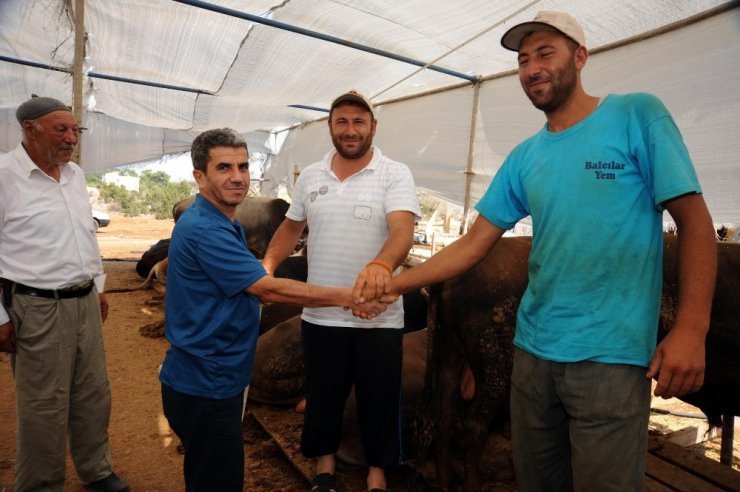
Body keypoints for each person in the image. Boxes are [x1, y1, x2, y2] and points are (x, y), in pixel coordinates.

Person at [358, 11, 717, 492]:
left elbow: (694, 221)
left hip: (609, 356)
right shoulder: (526, 156)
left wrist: (692, 329)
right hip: (532, 355)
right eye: (523, 61)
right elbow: (472, 245)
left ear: (581, 57)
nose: (531, 69)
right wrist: (393, 285)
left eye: (545, 53)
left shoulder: (636, 115)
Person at [159, 128, 386, 492]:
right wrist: (349, 297)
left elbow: (249, 285)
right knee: (218, 481)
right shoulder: (207, 229)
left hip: (208, 374)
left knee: (209, 472)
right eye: (224, 168)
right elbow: (267, 286)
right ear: (199, 176)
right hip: (208, 381)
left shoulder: (223, 220)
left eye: (243, 166)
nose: (237, 177)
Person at [262, 90, 420, 492]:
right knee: (323, 393)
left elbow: (402, 230)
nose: (350, 131)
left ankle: (377, 474)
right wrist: (267, 265)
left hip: (380, 316)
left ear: (372, 127)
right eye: (342, 122)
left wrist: (382, 264)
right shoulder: (313, 176)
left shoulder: (395, 172)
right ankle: (325, 467)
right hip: (322, 313)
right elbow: (290, 228)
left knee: (379, 398)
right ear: (330, 127)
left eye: (358, 122)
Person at [0, 96, 129, 491]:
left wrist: (99, 286)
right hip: (36, 307)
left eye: (76, 130)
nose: (72, 138)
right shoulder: (4, 176)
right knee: (43, 405)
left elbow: (84, 236)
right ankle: (40, 484)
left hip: (84, 301)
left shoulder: (74, 175)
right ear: (30, 129)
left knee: (94, 393)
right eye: (62, 129)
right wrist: (1, 318)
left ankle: (96, 470)